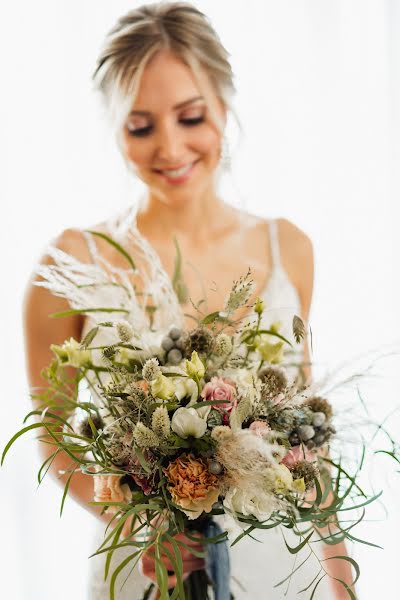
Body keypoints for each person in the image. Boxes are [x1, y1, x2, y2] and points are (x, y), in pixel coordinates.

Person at [23, 2, 355, 598]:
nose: (171, 149)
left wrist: (341, 578)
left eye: (191, 117)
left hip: (283, 566)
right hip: (147, 567)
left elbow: (309, 445)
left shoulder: (288, 249)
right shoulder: (73, 263)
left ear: (224, 105)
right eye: (142, 126)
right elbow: (52, 435)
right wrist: (137, 519)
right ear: (114, 128)